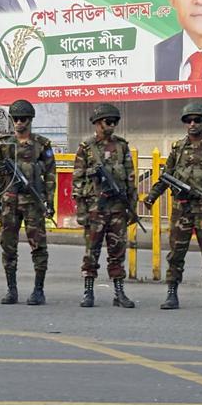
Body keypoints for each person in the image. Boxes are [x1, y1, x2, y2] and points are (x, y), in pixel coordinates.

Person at [143, 102, 202, 311]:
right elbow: (165, 176)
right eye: (188, 120)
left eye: (197, 120)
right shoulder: (178, 148)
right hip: (182, 209)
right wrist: (152, 196)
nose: (193, 124)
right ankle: (171, 293)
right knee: (176, 253)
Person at [73, 103, 137, 309]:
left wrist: (132, 208)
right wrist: (82, 211)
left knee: (117, 251)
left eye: (114, 122)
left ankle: (119, 293)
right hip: (95, 208)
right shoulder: (86, 148)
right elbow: (78, 180)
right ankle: (88, 291)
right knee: (91, 251)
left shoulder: (122, 146)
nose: (111, 126)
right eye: (108, 122)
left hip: (117, 208)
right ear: (98, 123)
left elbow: (130, 178)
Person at [0, 99, 56, 306]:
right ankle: (11, 290)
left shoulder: (42, 145)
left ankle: (39, 290)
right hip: (9, 202)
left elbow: (50, 176)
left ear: (30, 120)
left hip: (33, 203)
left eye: (24, 119)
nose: (20, 123)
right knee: (8, 246)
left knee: (39, 246)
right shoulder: (4, 145)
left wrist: (50, 202)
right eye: (16, 119)